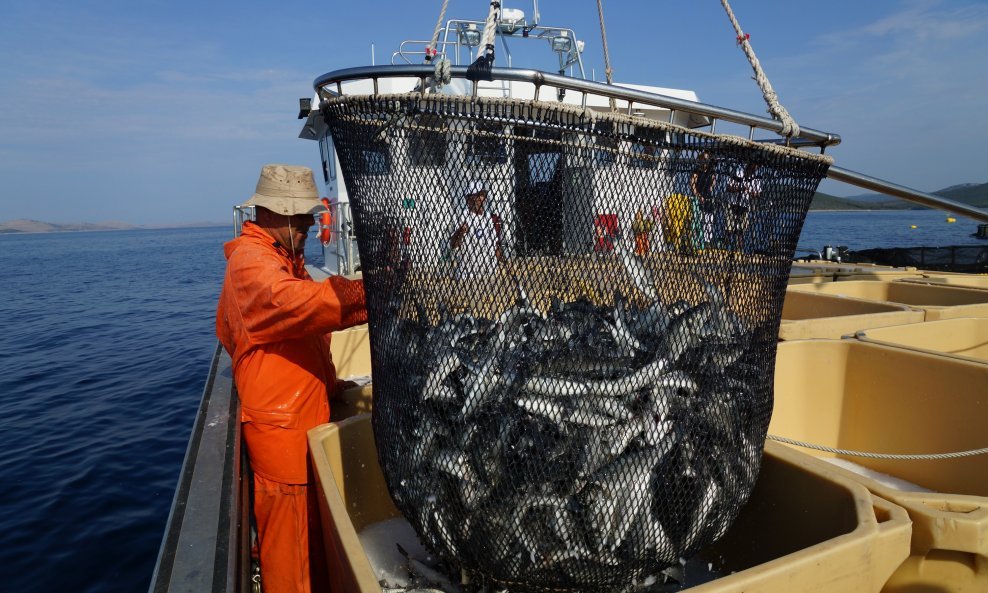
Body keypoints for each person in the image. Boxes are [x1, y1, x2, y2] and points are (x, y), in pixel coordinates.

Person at [216, 164, 368, 593]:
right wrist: (368, 292)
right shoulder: (252, 264)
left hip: (305, 426)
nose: (308, 225)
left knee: (314, 555)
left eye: (309, 217)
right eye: (301, 218)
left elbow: (295, 335)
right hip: (283, 443)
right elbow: (300, 306)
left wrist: (335, 387)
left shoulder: (284, 258)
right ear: (276, 215)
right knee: (291, 565)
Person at [449, 181, 505, 277]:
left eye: (482, 195)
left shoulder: (489, 217)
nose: (481, 198)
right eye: (477, 195)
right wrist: (460, 231)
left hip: (491, 276)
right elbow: (453, 245)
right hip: (468, 277)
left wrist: (505, 263)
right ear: (468, 198)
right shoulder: (462, 217)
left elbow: (495, 247)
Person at [726, 161, 762, 250]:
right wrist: (740, 188)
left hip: (745, 206)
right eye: (753, 168)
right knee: (729, 229)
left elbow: (758, 193)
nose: (754, 171)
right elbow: (728, 188)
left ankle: (739, 250)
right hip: (732, 203)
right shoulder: (738, 172)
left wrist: (752, 193)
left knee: (741, 231)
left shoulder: (756, 178)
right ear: (748, 166)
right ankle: (725, 248)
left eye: (756, 169)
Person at [690, 151, 718, 249]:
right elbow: (692, 184)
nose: (706, 161)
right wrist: (698, 195)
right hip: (698, 197)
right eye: (704, 159)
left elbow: (714, 180)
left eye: (707, 159)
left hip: (708, 197)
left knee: (709, 219)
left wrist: (711, 187)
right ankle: (697, 241)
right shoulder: (697, 170)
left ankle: (707, 242)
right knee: (698, 220)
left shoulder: (711, 170)